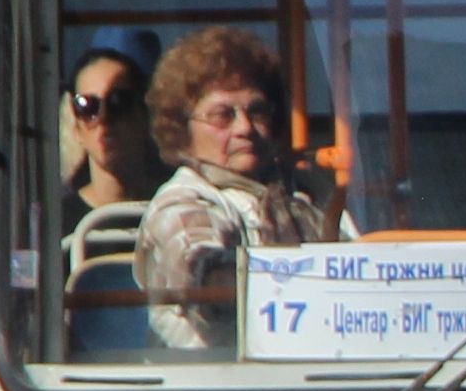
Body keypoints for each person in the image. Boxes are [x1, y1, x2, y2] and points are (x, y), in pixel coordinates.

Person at [134, 28, 334, 352]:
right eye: (223, 115)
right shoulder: (182, 203)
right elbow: (204, 280)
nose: (244, 128)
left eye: (257, 111)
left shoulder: (304, 199)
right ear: (182, 129)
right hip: (216, 389)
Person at [60, 31, 168, 266]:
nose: (103, 118)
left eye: (119, 102)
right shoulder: (56, 224)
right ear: (76, 128)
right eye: (87, 106)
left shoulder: (175, 209)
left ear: (144, 116)